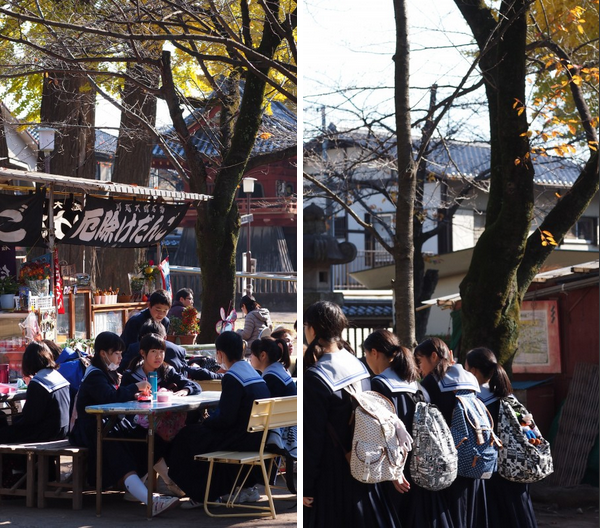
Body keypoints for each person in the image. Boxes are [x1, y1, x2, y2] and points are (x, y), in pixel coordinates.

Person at [303, 301, 402, 528]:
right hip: (365, 465)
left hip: (331, 479)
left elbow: (313, 438)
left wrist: (306, 485)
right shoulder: (358, 365)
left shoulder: (316, 376)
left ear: (313, 329)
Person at [68, 331, 179, 517]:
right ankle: (150, 501)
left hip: (108, 424)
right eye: (117, 353)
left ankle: (171, 484)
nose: (120, 357)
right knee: (116, 449)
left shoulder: (107, 373)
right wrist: (136, 387)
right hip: (91, 430)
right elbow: (109, 397)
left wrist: (134, 395)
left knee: (147, 437)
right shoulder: (95, 375)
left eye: (121, 353)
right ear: (103, 354)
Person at [167, 331, 270, 510]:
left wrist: (205, 423)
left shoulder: (233, 377)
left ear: (220, 354)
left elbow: (225, 419)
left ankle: (202, 494)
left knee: (185, 437)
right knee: (195, 435)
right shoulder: (254, 374)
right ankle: (212, 491)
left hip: (239, 438)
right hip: (257, 436)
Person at [415, 337, 488, 528]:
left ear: (433, 356)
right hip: (474, 455)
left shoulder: (432, 383)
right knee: (470, 512)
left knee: (451, 515)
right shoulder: (470, 379)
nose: (419, 368)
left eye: (420, 361)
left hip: (449, 459)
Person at [465, 347, 538, 528]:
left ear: (473, 371)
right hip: (517, 468)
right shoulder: (508, 397)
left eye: (465, 369)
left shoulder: (475, 400)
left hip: (493, 474)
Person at [0, 341, 70, 443]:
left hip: (46, 433)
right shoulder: (57, 376)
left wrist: (12, 421)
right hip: (62, 430)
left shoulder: (38, 383)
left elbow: (30, 419)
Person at [121, 333, 200, 397]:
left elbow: (195, 386)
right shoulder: (130, 375)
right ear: (143, 353)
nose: (158, 356)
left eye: (161, 352)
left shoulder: (167, 372)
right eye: (153, 351)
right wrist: (134, 395)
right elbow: (120, 395)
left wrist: (186, 390)